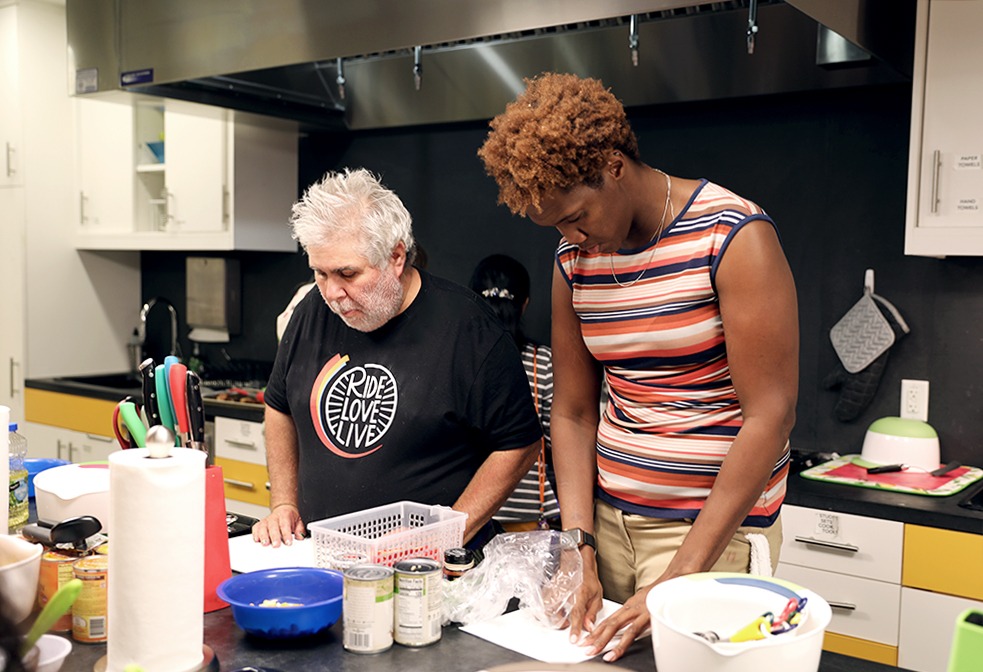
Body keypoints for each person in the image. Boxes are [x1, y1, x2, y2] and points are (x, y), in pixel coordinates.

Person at [477, 73, 798, 661]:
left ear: (614, 166)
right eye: (556, 228)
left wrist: (680, 572)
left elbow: (770, 417)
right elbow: (572, 413)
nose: (572, 236)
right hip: (606, 523)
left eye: (577, 215)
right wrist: (579, 545)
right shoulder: (573, 258)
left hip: (710, 535)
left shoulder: (732, 236)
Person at [253, 168, 542, 550]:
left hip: (424, 572)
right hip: (322, 556)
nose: (332, 293)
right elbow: (279, 406)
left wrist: (445, 537)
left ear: (396, 257)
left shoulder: (470, 330)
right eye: (320, 273)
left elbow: (520, 444)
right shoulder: (311, 311)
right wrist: (284, 502)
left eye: (347, 273)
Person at [469, 254, 560, 530]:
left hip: (469, 513)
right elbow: (560, 442)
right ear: (524, 304)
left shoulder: (457, 361)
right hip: (534, 515)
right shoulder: (544, 363)